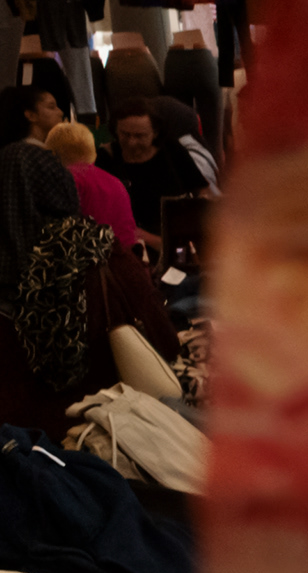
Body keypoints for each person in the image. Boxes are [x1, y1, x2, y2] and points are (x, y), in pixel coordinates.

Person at [0, 140, 171, 435]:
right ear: (61, 187)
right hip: (97, 430)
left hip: (12, 444)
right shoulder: (96, 250)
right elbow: (163, 338)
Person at [42, 121, 138, 247]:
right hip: (125, 257)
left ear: (52, 153)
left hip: (89, 260)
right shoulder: (116, 182)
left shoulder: (66, 179)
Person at [95, 107, 182, 234]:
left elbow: (201, 190)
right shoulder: (105, 157)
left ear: (155, 133)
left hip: (172, 233)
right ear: (115, 132)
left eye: (140, 136)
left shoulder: (171, 149)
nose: (131, 142)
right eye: (125, 134)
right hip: (127, 237)